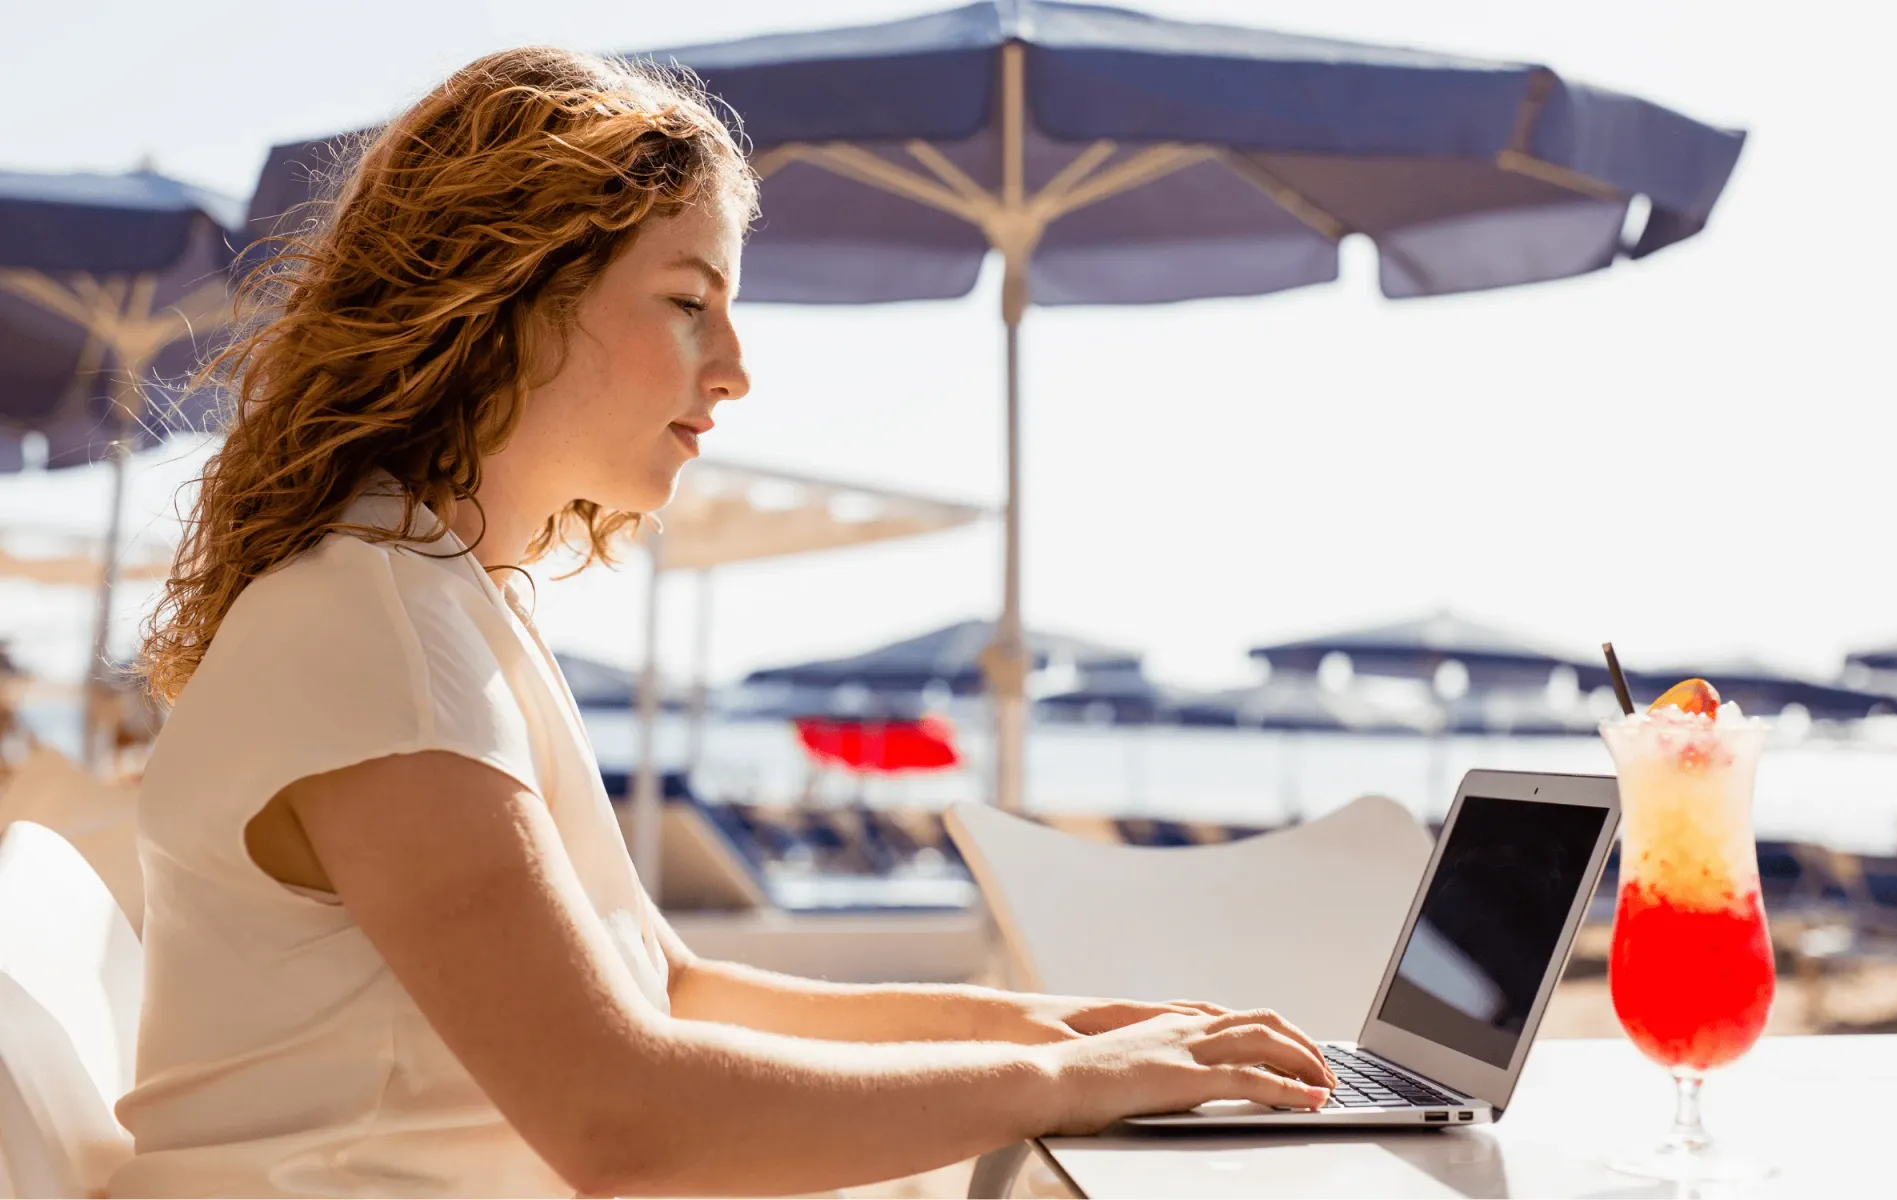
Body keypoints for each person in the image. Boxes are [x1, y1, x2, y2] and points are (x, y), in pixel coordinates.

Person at [116, 47, 1333, 1198]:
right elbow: (620, 1121)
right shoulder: (373, 624)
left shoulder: (433, 598)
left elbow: (672, 987)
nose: (736, 366)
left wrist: (1061, 1032)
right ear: (507, 294)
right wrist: (1057, 1083)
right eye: (688, 302)